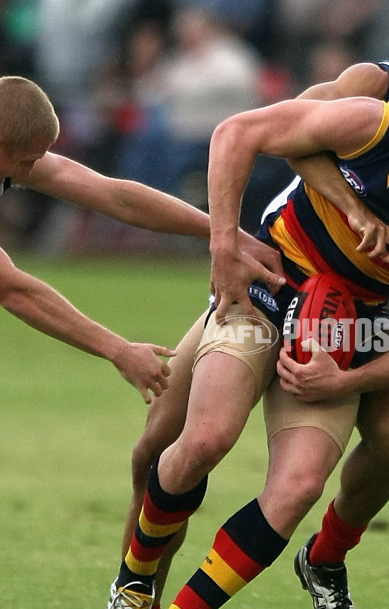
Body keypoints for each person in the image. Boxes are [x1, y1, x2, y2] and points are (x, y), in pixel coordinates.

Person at [25, 0, 389, 609]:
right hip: (270, 282)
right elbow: (254, 133)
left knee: (339, 466)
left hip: (348, 325)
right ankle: (126, 602)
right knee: (181, 444)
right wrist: (233, 240)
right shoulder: (375, 96)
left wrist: (376, 339)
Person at [0, 75, 284, 404]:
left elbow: (118, 198)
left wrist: (229, 235)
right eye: (26, 161)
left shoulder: (11, 156)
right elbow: (11, 288)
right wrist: (119, 349)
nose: (32, 168)